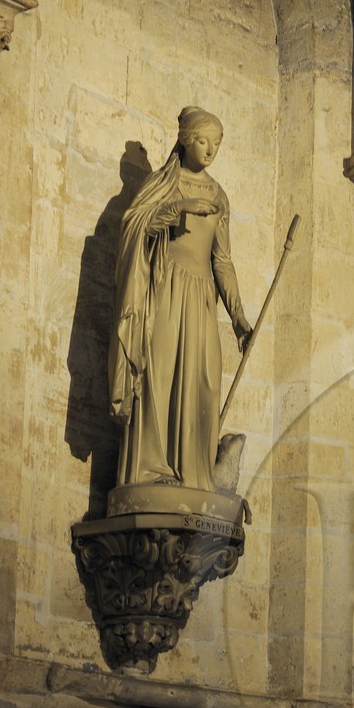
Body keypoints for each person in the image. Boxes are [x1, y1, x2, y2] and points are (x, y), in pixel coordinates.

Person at [110, 106, 253, 492]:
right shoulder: (162, 183)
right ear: (187, 140)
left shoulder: (218, 196)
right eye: (203, 141)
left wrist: (239, 318)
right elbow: (135, 228)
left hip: (202, 296)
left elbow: (222, 260)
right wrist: (177, 209)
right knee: (159, 377)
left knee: (203, 382)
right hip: (166, 290)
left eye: (217, 143)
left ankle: (194, 476)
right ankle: (150, 471)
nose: (210, 150)